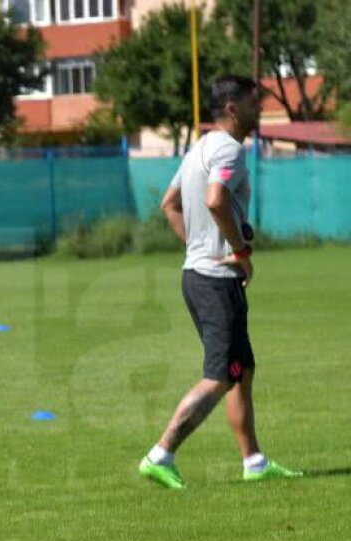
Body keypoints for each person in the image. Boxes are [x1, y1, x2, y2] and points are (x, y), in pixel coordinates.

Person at [139, 75, 301, 489]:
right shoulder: (229, 148)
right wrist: (240, 252)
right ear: (232, 108)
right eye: (253, 102)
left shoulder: (201, 147)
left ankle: (255, 462)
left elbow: (169, 204)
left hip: (199, 274)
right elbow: (214, 200)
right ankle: (161, 453)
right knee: (221, 375)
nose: (258, 109)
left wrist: (198, 247)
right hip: (214, 280)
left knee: (241, 369)